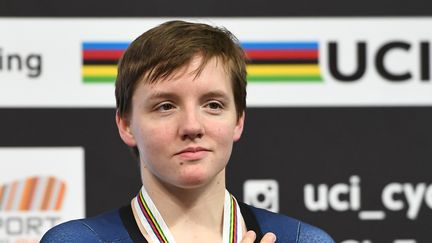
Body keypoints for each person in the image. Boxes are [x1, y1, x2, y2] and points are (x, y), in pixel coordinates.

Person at [41, 20, 334, 243]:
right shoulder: (79, 240)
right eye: (166, 106)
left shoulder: (301, 240)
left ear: (238, 120)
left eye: (213, 105)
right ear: (126, 125)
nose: (192, 126)